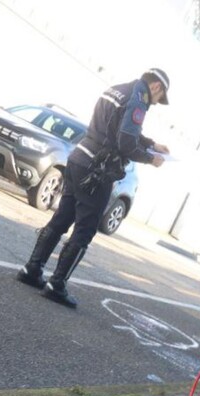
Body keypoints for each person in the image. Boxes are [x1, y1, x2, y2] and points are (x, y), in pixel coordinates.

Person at [16, 68, 172, 308]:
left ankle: (32, 268)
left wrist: (151, 144)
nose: (155, 102)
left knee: (61, 218)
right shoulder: (138, 99)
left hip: (79, 159)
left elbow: (120, 128)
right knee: (85, 230)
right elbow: (126, 142)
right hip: (97, 171)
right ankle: (57, 284)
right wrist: (150, 158)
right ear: (156, 87)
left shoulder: (117, 89)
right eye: (159, 98)